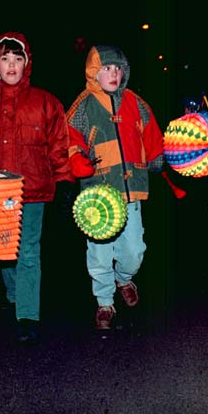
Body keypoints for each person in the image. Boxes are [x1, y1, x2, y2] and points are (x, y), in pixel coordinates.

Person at [0, 33, 71, 345]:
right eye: (5, 58)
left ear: (27, 63)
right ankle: (15, 290)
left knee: (29, 249)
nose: (12, 65)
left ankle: (28, 315)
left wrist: (64, 182)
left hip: (32, 188)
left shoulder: (45, 102)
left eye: (18, 59)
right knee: (5, 249)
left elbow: (60, 146)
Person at [65, 45, 164, 331]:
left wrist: (159, 160)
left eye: (118, 68)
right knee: (99, 252)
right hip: (97, 194)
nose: (114, 73)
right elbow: (70, 137)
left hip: (132, 189)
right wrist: (76, 159)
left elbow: (152, 134)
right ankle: (104, 302)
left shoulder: (135, 102)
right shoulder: (82, 105)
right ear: (94, 72)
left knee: (134, 250)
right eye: (107, 68)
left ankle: (124, 277)